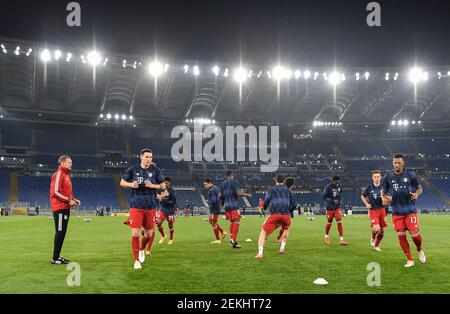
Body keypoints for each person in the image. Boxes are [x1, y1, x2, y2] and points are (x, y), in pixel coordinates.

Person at [120, 148, 166, 270]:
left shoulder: (155, 170)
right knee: (135, 233)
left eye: (150, 157)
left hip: (151, 206)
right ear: (140, 157)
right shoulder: (133, 169)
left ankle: (141, 249)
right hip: (136, 206)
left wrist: (153, 185)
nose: (149, 159)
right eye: (146, 157)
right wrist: (131, 184)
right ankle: (136, 261)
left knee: (149, 234)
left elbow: (163, 185)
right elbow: (122, 182)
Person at [381, 153, 426, 267]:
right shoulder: (388, 177)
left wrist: (416, 194)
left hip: (410, 209)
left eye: (399, 163)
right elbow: (383, 191)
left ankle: (419, 249)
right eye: (395, 162)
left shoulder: (411, 175)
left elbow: (420, 188)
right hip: (396, 211)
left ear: (403, 163)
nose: (397, 165)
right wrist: (384, 199)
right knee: (401, 235)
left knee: (414, 234)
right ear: (392, 163)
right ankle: (410, 259)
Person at [49, 155, 81, 265]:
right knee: (60, 232)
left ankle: (57, 256)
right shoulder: (59, 174)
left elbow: (65, 193)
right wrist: (69, 200)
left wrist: (74, 199)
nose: (71, 164)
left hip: (65, 207)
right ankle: (54, 258)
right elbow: (56, 192)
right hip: (60, 208)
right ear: (62, 163)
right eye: (69, 162)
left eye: (71, 162)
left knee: (62, 232)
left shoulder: (66, 175)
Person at [255, 175, 296, 258]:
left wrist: (264, 208)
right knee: (286, 229)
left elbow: (266, 200)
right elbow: (294, 204)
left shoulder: (272, 189)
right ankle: (282, 248)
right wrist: (289, 211)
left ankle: (260, 253)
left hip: (275, 214)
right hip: (286, 215)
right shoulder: (288, 190)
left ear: (276, 181)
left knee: (263, 231)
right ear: (283, 181)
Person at [220, 170, 251, 249]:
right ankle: (234, 241)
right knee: (237, 221)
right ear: (231, 175)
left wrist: (222, 204)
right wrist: (246, 194)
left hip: (227, 205)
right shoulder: (234, 182)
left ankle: (231, 239)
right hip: (234, 205)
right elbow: (237, 193)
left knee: (232, 221)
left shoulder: (223, 183)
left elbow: (221, 195)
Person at [361, 170, 387, 252]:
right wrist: (366, 204)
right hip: (373, 211)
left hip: (382, 210)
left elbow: (387, 199)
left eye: (378, 177)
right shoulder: (369, 187)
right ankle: (372, 237)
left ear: (380, 177)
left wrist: (385, 200)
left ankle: (376, 246)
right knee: (377, 228)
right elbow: (362, 196)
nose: (376, 178)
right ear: (372, 178)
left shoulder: (383, 188)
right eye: (375, 177)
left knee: (382, 230)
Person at [322, 175, 348, 245]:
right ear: (333, 181)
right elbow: (324, 197)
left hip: (337, 207)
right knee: (329, 222)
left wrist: (340, 201)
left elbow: (340, 195)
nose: (337, 183)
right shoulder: (328, 187)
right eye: (336, 182)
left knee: (339, 221)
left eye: (338, 182)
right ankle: (326, 236)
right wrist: (332, 200)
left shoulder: (340, 186)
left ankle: (342, 240)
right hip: (329, 208)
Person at [156, 177, 179, 245]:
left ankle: (171, 238)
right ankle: (163, 235)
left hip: (170, 211)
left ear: (169, 183)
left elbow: (173, 202)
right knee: (158, 223)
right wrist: (160, 200)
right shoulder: (161, 190)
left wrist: (164, 200)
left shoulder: (172, 191)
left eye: (166, 182)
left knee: (170, 225)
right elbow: (159, 198)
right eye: (164, 182)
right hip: (163, 210)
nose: (165, 184)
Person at [203, 178, 227, 243]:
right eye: (204, 185)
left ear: (210, 183)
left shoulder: (211, 190)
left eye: (206, 185)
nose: (205, 186)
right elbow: (221, 196)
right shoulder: (216, 187)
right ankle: (223, 232)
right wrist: (221, 204)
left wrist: (208, 201)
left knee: (213, 223)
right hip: (217, 208)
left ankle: (218, 239)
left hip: (214, 209)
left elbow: (213, 201)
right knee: (211, 221)